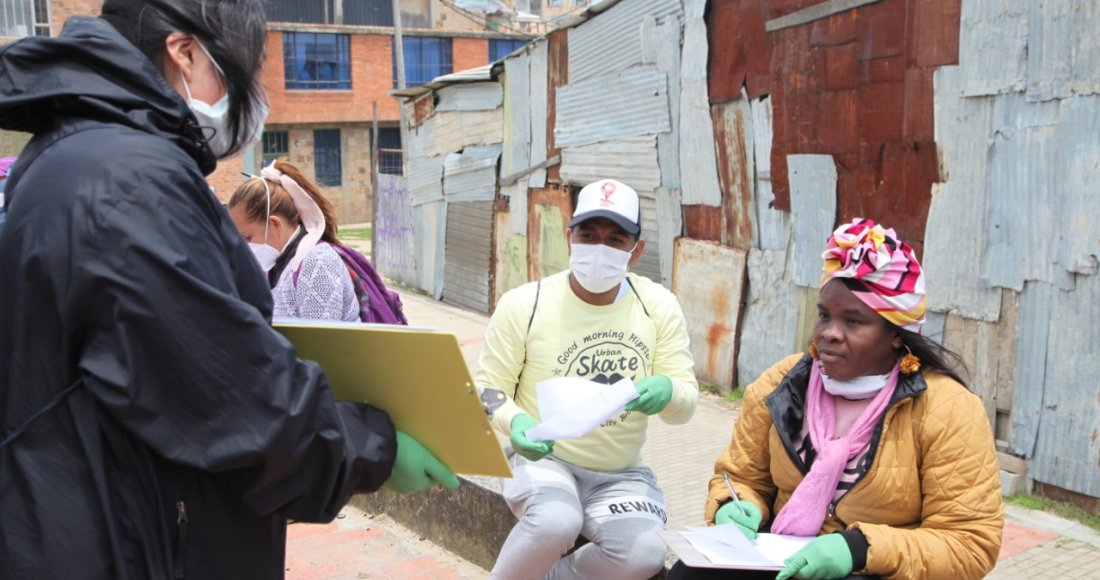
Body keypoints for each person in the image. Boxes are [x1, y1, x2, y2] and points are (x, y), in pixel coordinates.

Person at [0, 1, 455, 578]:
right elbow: (232, 398)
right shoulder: (131, 182)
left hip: (91, 516)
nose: (248, 98)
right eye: (240, 74)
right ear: (185, 53)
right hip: (128, 540)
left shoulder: (68, 156)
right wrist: (374, 448)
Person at [668, 219, 1003, 580]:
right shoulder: (782, 384)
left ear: (895, 333)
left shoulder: (947, 409)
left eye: (853, 322)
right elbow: (739, 476)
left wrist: (859, 548)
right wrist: (734, 505)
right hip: (782, 563)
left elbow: (970, 542)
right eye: (824, 315)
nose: (829, 334)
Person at [478, 178, 700, 579]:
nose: (600, 248)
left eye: (616, 239)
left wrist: (668, 391)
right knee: (555, 522)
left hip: (621, 472)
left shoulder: (658, 306)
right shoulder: (524, 305)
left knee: (645, 553)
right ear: (570, 238)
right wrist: (517, 424)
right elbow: (486, 389)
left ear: (637, 250)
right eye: (589, 235)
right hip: (544, 459)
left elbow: (684, 402)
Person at [228, 160, 358, 321]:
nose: (245, 247)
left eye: (247, 238)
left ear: (274, 224)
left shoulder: (316, 262)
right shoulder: (278, 266)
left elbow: (322, 341)